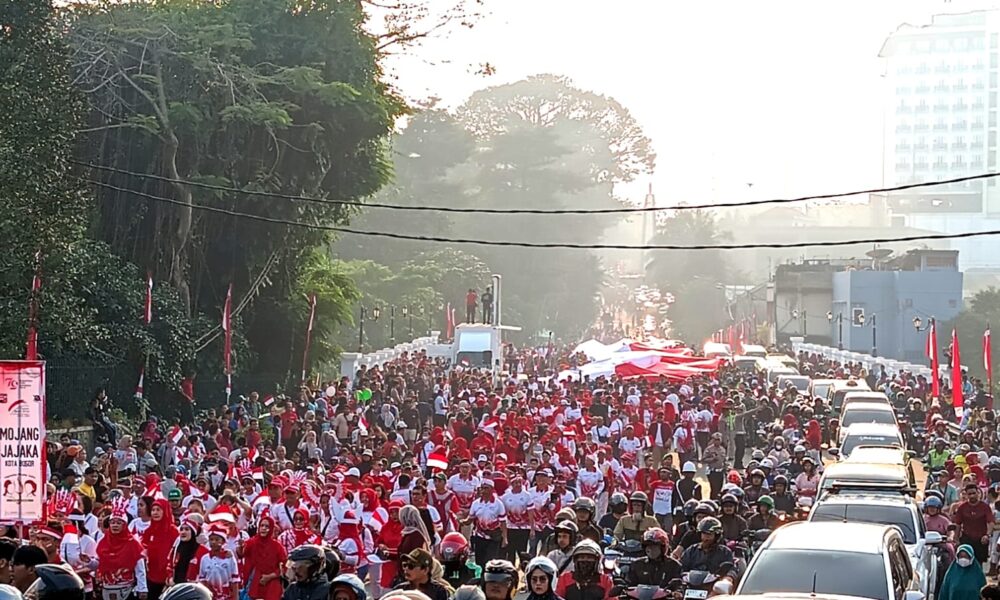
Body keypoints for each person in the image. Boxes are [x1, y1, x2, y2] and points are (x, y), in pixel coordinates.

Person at [96, 499, 148, 600]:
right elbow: (98, 563)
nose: (115, 525)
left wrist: (143, 588)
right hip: (106, 588)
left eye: (119, 523)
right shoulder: (103, 542)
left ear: (124, 525)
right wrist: (88, 562)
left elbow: (139, 567)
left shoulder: (132, 543)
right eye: (113, 522)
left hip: (126, 590)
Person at [238, 516, 285, 600]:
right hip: (254, 585)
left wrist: (269, 576)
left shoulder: (278, 547)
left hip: (272, 585)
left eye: (267, 526)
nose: (263, 528)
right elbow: (241, 554)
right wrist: (240, 548)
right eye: (262, 525)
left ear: (271, 529)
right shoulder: (251, 542)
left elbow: (284, 566)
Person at [142, 498, 179, 600]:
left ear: (165, 511)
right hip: (151, 577)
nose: (155, 513)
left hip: (167, 578)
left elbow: (177, 554)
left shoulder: (173, 531)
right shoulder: (148, 531)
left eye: (158, 510)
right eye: (153, 510)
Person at [954, 483, 993, 565]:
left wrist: (987, 535)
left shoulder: (985, 507)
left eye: (974, 493)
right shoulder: (962, 508)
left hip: (981, 540)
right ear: (966, 495)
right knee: (964, 562)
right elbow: (958, 524)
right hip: (967, 538)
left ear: (978, 493)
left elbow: (990, 522)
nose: (972, 496)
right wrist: (956, 539)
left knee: (979, 563)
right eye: (969, 494)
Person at [197, 524, 240, 600]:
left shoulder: (229, 557)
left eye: (217, 540)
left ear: (223, 542)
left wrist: (236, 598)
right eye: (211, 539)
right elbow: (202, 580)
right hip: (210, 595)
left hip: (227, 595)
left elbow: (235, 580)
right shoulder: (205, 558)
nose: (213, 542)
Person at [168, 519, 209, 586]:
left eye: (187, 529)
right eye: (181, 529)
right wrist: (170, 578)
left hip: (194, 589)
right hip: (176, 586)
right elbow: (170, 565)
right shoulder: (176, 548)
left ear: (193, 532)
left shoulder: (203, 551)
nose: (183, 532)